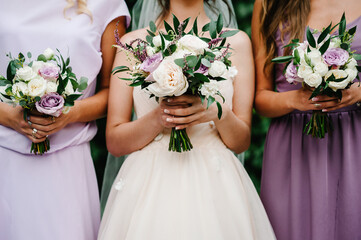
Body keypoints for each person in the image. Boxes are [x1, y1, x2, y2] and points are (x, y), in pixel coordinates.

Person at [98, 0, 276, 239]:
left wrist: (216, 113)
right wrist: (160, 118)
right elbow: (115, 142)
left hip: (216, 184)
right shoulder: (132, 45)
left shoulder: (236, 43)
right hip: (149, 185)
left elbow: (241, 141)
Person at [0, 0, 129, 239]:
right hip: (4, 155)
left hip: (68, 164)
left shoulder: (107, 4)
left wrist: (70, 113)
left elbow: (114, 90)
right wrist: (8, 116)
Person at [252, 0, 361, 239]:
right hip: (292, 146)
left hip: (354, 141)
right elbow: (260, 98)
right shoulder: (269, 4)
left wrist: (358, 92)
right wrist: (295, 100)